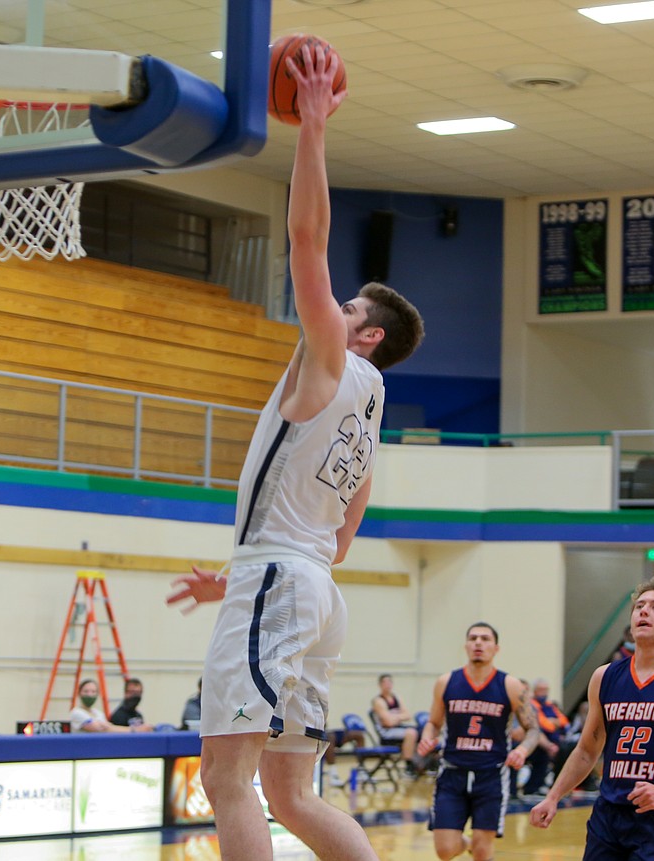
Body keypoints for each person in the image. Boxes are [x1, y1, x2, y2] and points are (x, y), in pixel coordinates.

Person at [165, 42, 424, 861]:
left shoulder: (333, 359)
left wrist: (312, 123)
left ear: (366, 334)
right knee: (292, 791)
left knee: (227, 779)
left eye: (347, 306)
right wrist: (248, 576)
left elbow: (306, 238)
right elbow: (343, 536)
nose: (331, 305)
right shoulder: (373, 406)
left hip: (280, 579)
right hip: (313, 589)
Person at [530, 576, 654, 861]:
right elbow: (588, 749)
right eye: (639, 606)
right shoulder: (605, 676)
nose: (643, 611)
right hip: (608, 815)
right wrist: (553, 796)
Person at [416, 623, 540, 861]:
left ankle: (479, 846)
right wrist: (426, 737)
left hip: (491, 775)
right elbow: (433, 723)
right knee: (444, 850)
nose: (478, 643)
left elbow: (533, 728)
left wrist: (522, 750)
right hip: (452, 774)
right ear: (466, 645)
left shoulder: (510, 685)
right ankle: (470, 843)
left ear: (496, 648)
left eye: (485, 639)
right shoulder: (446, 682)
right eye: (473, 638)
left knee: (483, 853)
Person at [522, 677, 571, 798]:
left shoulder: (550, 705)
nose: (543, 693)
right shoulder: (533, 705)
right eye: (541, 690)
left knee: (570, 749)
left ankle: (560, 785)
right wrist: (554, 723)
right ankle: (534, 787)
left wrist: (555, 722)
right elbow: (544, 726)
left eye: (545, 690)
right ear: (535, 691)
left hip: (554, 740)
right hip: (540, 742)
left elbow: (565, 722)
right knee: (549, 752)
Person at [370, 674, 419, 771]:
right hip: (386, 733)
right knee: (411, 733)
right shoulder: (378, 701)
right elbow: (388, 722)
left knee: (420, 730)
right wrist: (400, 716)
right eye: (385, 682)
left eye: (389, 682)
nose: (387, 684)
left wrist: (394, 717)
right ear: (380, 685)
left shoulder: (397, 698)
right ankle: (408, 766)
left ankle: (425, 763)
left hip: (398, 728)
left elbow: (408, 715)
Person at [69, 679, 147, 733]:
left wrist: (106, 726)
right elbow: (101, 729)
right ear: (79, 693)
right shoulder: (76, 712)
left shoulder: (98, 713)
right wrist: (135, 730)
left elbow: (109, 727)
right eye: (86, 691)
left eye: (93, 692)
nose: (90, 694)